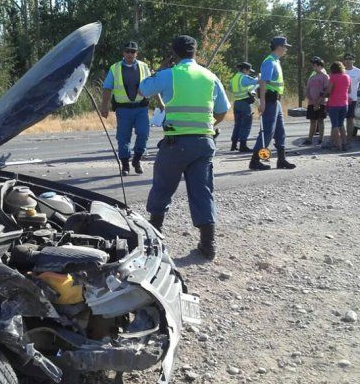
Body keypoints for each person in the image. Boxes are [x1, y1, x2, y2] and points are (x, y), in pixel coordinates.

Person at [138, 35, 230, 260]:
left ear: (174, 54)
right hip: (204, 142)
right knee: (203, 192)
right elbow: (222, 110)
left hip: (175, 143)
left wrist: (160, 68)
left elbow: (143, 89)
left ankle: (154, 240)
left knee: (162, 189)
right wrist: (208, 125)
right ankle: (208, 245)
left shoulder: (169, 74)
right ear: (195, 52)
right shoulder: (210, 76)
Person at [101, 41, 165, 175]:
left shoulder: (144, 66)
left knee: (143, 133)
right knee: (123, 137)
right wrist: (104, 106)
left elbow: (151, 86)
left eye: (132, 52)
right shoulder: (115, 68)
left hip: (140, 108)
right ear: (123, 53)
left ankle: (137, 159)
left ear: (137, 53)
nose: (130, 54)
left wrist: (160, 102)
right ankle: (125, 164)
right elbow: (107, 88)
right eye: (127, 51)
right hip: (123, 109)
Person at [249, 36, 296, 170]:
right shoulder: (269, 62)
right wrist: (262, 102)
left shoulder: (275, 61)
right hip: (269, 100)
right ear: (279, 47)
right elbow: (263, 82)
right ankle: (255, 161)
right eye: (285, 47)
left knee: (280, 131)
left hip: (276, 101)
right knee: (267, 131)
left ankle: (281, 160)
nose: (286, 49)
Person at [229, 62, 258, 152]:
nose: (249, 73)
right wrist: (259, 78)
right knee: (246, 124)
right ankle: (243, 146)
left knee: (237, 124)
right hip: (245, 103)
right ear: (245, 70)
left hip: (237, 103)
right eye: (249, 71)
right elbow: (256, 82)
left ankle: (234, 145)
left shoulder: (234, 78)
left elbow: (230, 88)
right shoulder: (244, 77)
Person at [324, 61, 351, 151]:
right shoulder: (347, 77)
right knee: (341, 124)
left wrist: (323, 94)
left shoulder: (333, 77)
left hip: (334, 104)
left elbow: (329, 91)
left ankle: (338, 145)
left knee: (335, 125)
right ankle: (344, 143)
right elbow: (349, 90)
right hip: (344, 104)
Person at [302, 57, 328, 146]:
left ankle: (321, 139)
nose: (315, 68)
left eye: (316, 66)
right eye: (314, 66)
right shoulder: (312, 77)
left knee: (320, 121)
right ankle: (309, 139)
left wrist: (318, 102)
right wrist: (311, 99)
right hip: (311, 103)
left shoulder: (325, 77)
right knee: (312, 121)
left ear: (321, 66)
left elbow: (325, 90)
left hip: (321, 103)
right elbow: (307, 90)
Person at [343, 53, 360, 139]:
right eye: (346, 59)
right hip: (341, 99)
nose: (348, 60)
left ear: (353, 60)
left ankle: (349, 138)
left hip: (352, 99)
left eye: (350, 59)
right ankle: (340, 138)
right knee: (340, 119)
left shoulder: (358, 71)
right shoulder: (341, 70)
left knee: (350, 119)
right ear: (344, 60)